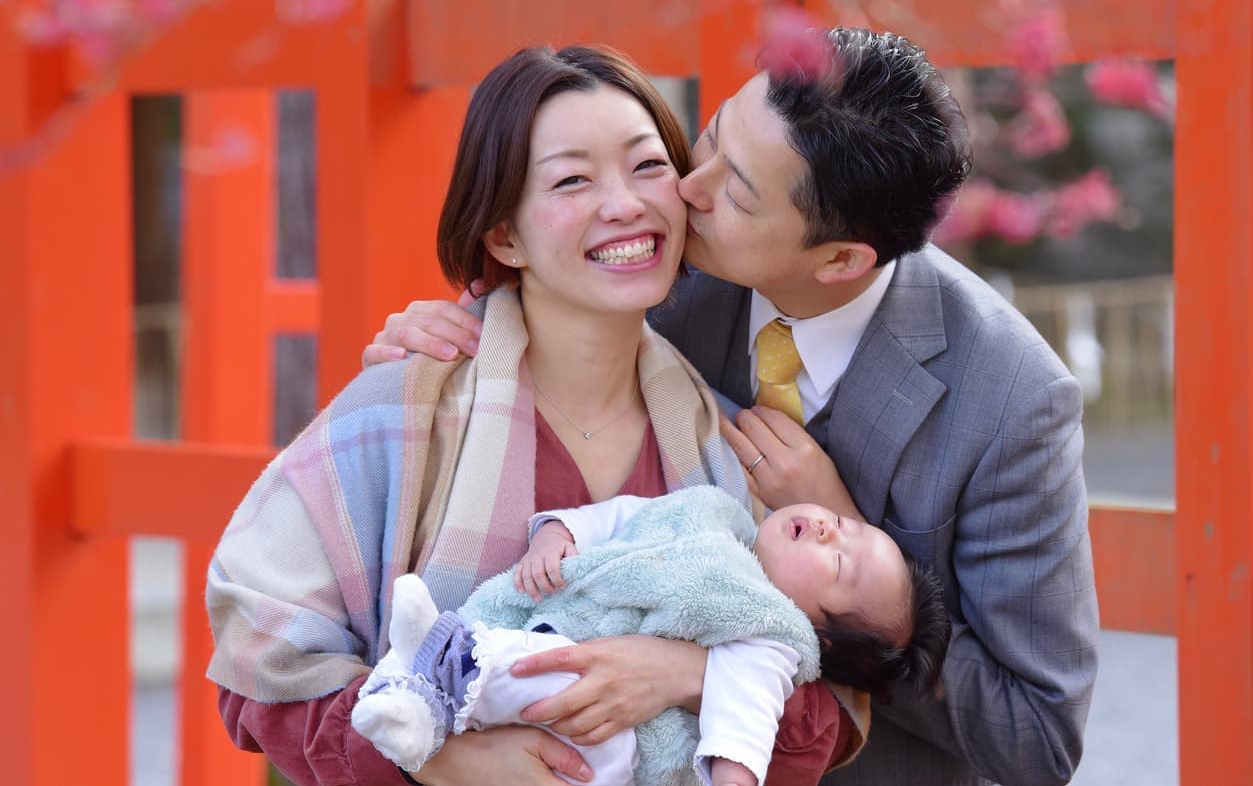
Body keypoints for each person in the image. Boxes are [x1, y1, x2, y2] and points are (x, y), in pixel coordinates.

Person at [365, 27, 1101, 786]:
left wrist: (850, 553)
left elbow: (1035, 737)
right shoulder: (664, 265)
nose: (687, 188)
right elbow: (535, 290)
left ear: (841, 259)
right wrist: (450, 337)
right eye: (708, 138)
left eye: (737, 192)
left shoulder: (1013, 399)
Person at [206, 45, 860, 786]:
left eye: (648, 166)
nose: (624, 204)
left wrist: (691, 673)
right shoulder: (403, 413)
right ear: (503, 234)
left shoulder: (727, 447)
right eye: (573, 179)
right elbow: (258, 668)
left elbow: (827, 712)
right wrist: (438, 758)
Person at [352, 486, 951, 786]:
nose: (827, 530)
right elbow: (620, 515)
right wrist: (556, 534)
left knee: (549, 668)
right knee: (529, 654)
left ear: (818, 631)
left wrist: (735, 778)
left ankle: (435, 668)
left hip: (601, 735)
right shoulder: (712, 509)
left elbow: (744, 716)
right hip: (555, 630)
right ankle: (420, 690)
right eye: (843, 523)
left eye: (840, 564)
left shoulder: (770, 632)